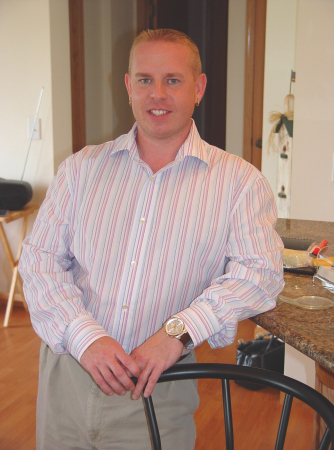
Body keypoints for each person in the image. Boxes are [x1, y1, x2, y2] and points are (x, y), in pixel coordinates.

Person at [19, 28, 284, 449]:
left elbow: (261, 274)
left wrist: (176, 332)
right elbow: (40, 261)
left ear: (198, 88)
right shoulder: (81, 169)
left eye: (172, 80)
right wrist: (86, 336)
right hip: (68, 375)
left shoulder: (239, 183)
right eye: (145, 79)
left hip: (161, 386)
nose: (157, 94)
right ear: (128, 87)